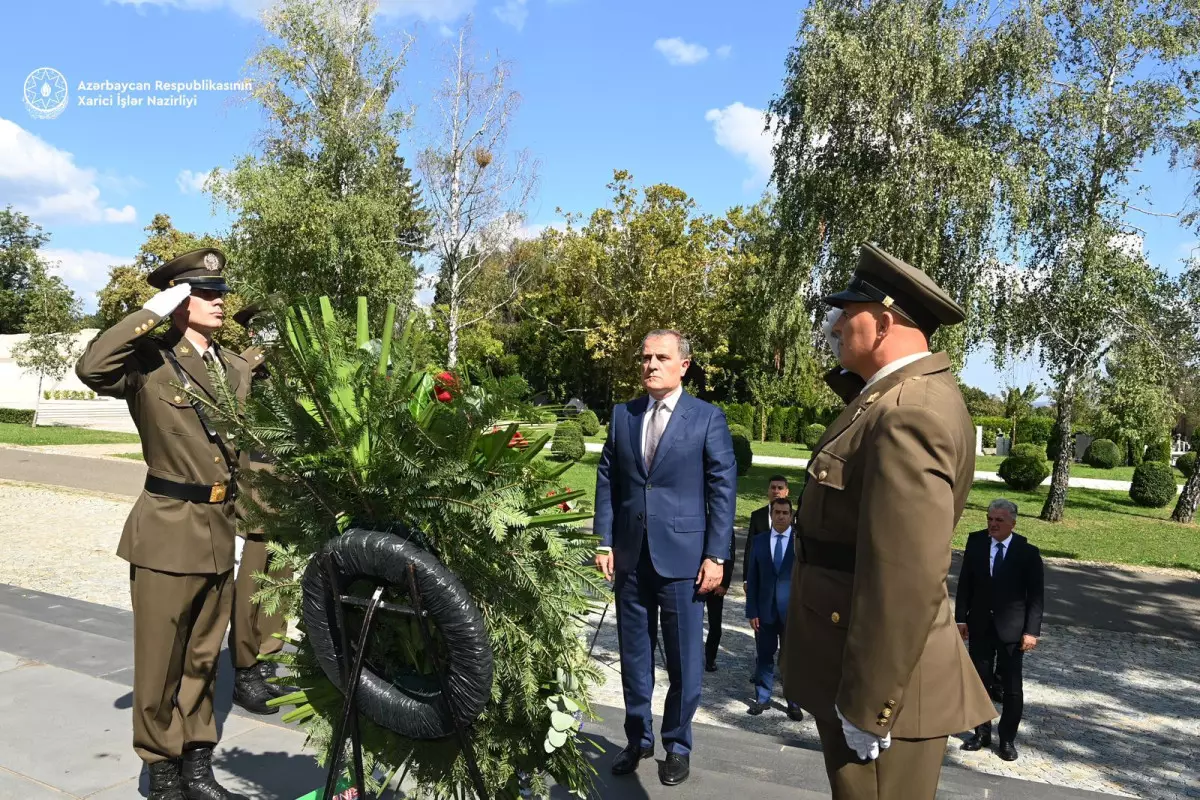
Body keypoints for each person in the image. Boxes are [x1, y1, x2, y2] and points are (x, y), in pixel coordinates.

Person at [779, 242, 994, 800]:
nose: (832, 325)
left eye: (844, 313)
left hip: (882, 684)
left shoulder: (909, 413)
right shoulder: (894, 399)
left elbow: (904, 575)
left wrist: (870, 704)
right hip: (864, 666)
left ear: (881, 321)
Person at [76, 248, 250, 800]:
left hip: (220, 529)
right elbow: (91, 367)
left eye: (220, 290)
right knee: (160, 662)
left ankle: (197, 762)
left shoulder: (232, 367)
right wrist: (149, 312)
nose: (219, 300)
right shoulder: (148, 362)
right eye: (204, 291)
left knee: (203, 658)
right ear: (178, 298)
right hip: (167, 530)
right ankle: (161, 768)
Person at [593, 329, 737, 787]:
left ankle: (677, 743)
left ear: (683, 365)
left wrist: (716, 555)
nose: (650, 365)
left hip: (684, 562)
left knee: (683, 663)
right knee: (635, 658)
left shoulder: (707, 419)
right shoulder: (623, 416)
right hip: (631, 560)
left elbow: (723, 490)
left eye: (661, 357)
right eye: (645, 357)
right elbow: (607, 479)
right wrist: (604, 540)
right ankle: (638, 738)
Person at [227, 300, 292, 714]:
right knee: (250, 586)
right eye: (262, 328)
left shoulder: (293, 374)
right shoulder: (235, 366)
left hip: (287, 495)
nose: (270, 337)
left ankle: (269, 659)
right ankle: (245, 668)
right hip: (252, 493)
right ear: (251, 332)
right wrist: (248, 366)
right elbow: (227, 417)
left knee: (281, 583)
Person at [955, 499, 1045, 762]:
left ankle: (1007, 739)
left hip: (1012, 631)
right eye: (989, 519)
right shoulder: (976, 543)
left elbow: (1035, 597)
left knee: (1011, 688)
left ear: (1012, 524)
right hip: (980, 625)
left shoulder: (1027, 552)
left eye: (999, 521)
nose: (992, 525)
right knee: (980, 683)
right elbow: (965, 584)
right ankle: (981, 734)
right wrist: (961, 619)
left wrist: (1031, 631)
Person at [744, 497, 803, 720]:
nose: (780, 516)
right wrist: (752, 612)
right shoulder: (760, 541)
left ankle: (794, 701)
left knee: (791, 658)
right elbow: (753, 578)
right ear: (771, 515)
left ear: (791, 516)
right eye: (776, 512)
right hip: (765, 611)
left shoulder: (799, 543)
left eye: (785, 513)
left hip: (792, 613)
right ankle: (762, 697)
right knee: (764, 656)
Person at [743, 474, 791, 586]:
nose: (776, 491)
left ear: (787, 492)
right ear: (768, 491)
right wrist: (747, 578)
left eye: (780, 488)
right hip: (761, 576)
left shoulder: (795, 516)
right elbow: (750, 547)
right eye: (773, 487)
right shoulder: (757, 516)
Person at [703, 516, 736, 673]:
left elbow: (730, 556)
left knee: (715, 625)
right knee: (691, 624)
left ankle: (710, 659)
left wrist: (724, 584)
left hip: (717, 584)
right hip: (696, 582)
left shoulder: (724, 526)